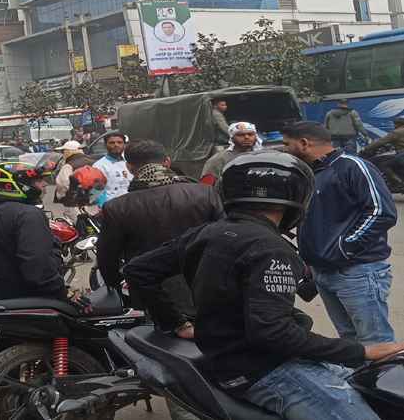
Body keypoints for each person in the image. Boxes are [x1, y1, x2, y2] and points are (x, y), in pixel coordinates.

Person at [124, 151, 404, 420]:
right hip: (268, 370)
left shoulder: (207, 232)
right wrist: (362, 351)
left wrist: (174, 322)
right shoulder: (271, 249)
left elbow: (138, 270)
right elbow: (273, 332)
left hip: (229, 359)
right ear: (297, 196)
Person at [282, 121, 397, 344]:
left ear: (304, 143)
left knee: (376, 342)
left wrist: (343, 248)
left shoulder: (353, 167)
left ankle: (386, 380)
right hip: (323, 272)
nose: (284, 149)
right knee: (350, 342)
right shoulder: (309, 174)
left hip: (356, 271)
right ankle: (358, 380)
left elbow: (381, 212)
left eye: (287, 144)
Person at [97, 140, 221, 311]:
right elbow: (227, 238)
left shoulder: (117, 207)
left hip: (155, 299)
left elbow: (107, 259)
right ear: (167, 162)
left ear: (129, 168)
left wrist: (117, 287)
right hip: (207, 287)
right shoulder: (204, 193)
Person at [0, 162, 65, 301]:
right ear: (21, 185)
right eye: (39, 180)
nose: (45, 184)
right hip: (26, 298)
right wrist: (62, 292)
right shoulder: (28, 214)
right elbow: (37, 267)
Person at [54, 140, 94, 221]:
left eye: (64, 151)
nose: (63, 153)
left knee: (80, 227)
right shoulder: (93, 162)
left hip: (75, 204)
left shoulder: (69, 165)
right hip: (94, 202)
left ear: (69, 152)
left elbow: (62, 185)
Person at [360, 116, 404, 188]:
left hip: (402, 154)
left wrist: (365, 149)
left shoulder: (397, 132)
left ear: (398, 124)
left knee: (384, 165)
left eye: (395, 124)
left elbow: (381, 142)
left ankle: (399, 183)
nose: (394, 126)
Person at [92, 132, 133, 204]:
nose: (116, 145)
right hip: (113, 208)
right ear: (105, 145)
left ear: (124, 145)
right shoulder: (99, 166)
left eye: (119, 142)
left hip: (132, 205)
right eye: (112, 143)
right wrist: (104, 207)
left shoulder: (130, 162)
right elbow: (97, 193)